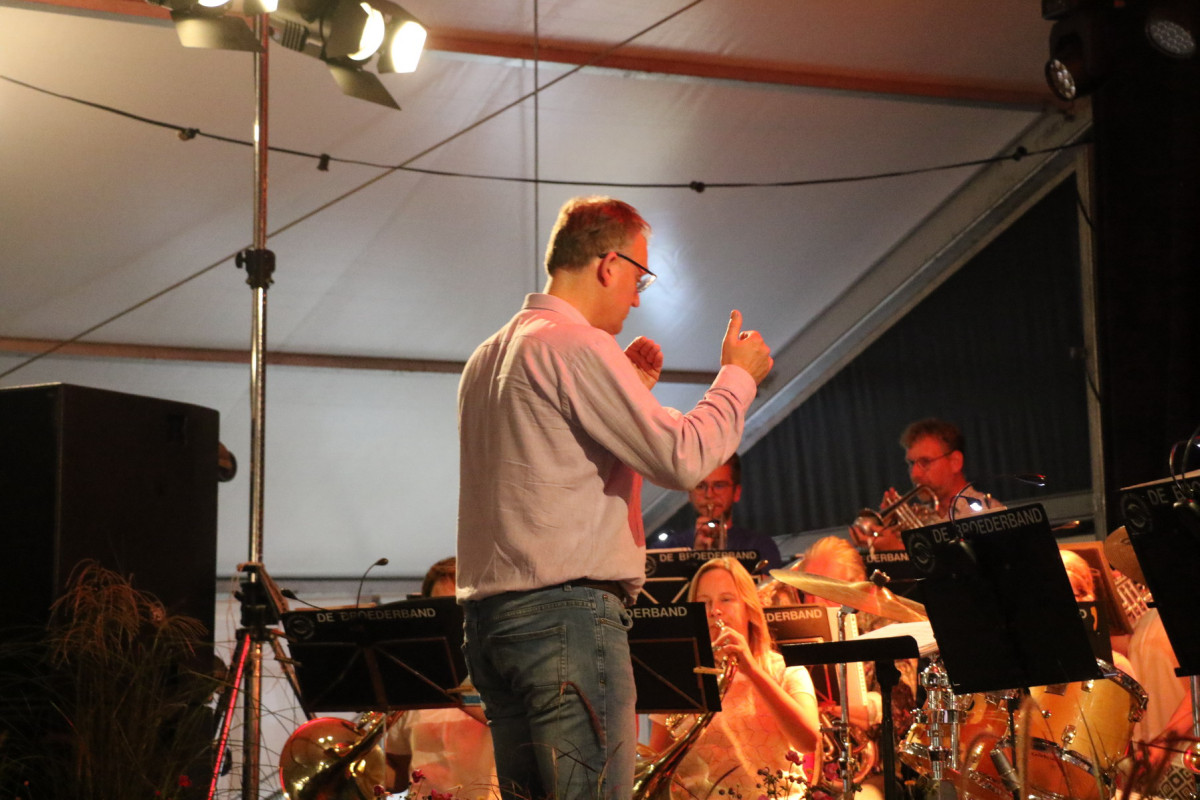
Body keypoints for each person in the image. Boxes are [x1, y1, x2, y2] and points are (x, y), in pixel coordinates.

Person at [456, 196, 774, 800]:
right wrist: (737, 378)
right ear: (608, 265)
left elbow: (545, 469)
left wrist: (624, 394)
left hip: (492, 623)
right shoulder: (576, 345)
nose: (637, 298)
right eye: (639, 278)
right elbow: (682, 457)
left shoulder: (487, 357)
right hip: (565, 620)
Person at [648, 557, 820, 800]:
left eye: (726, 599)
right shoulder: (679, 676)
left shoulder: (786, 670)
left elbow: (808, 742)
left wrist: (752, 671)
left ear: (749, 609)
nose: (714, 610)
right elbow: (654, 762)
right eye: (704, 602)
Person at [386, 557, 497, 800]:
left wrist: (456, 694)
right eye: (442, 609)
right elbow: (394, 778)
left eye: (462, 607)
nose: (455, 619)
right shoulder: (413, 681)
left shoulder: (504, 674)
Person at [851, 418, 1002, 551]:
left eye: (925, 462)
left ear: (955, 462)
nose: (914, 474)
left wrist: (897, 550)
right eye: (912, 463)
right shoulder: (921, 517)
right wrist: (885, 532)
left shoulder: (989, 512)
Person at [653, 454, 784, 571]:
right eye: (700, 486)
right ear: (689, 493)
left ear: (736, 492)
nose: (709, 494)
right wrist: (696, 558)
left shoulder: (760, 546)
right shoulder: (665, 549)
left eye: (719, 485)